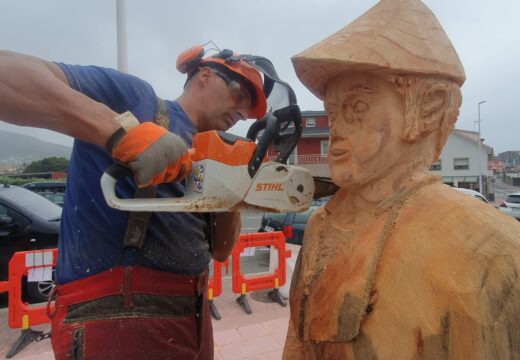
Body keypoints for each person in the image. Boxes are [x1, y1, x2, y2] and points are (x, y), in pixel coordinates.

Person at [283, 0, 520, 359]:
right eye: (333, 113)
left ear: (426, 109)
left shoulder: (491, 248)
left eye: (357, 108)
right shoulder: (321, 226)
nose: (338, 130)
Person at [0, 44, 269, 359]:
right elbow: (7, 72)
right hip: (115, 317)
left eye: (249, 108)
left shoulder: (215, 153)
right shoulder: (136, 100)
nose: (243, 110)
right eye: (240, 94)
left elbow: (221, 251)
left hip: (191, 316)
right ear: (205, 76)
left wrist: (235, 190)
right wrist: (119, 132)